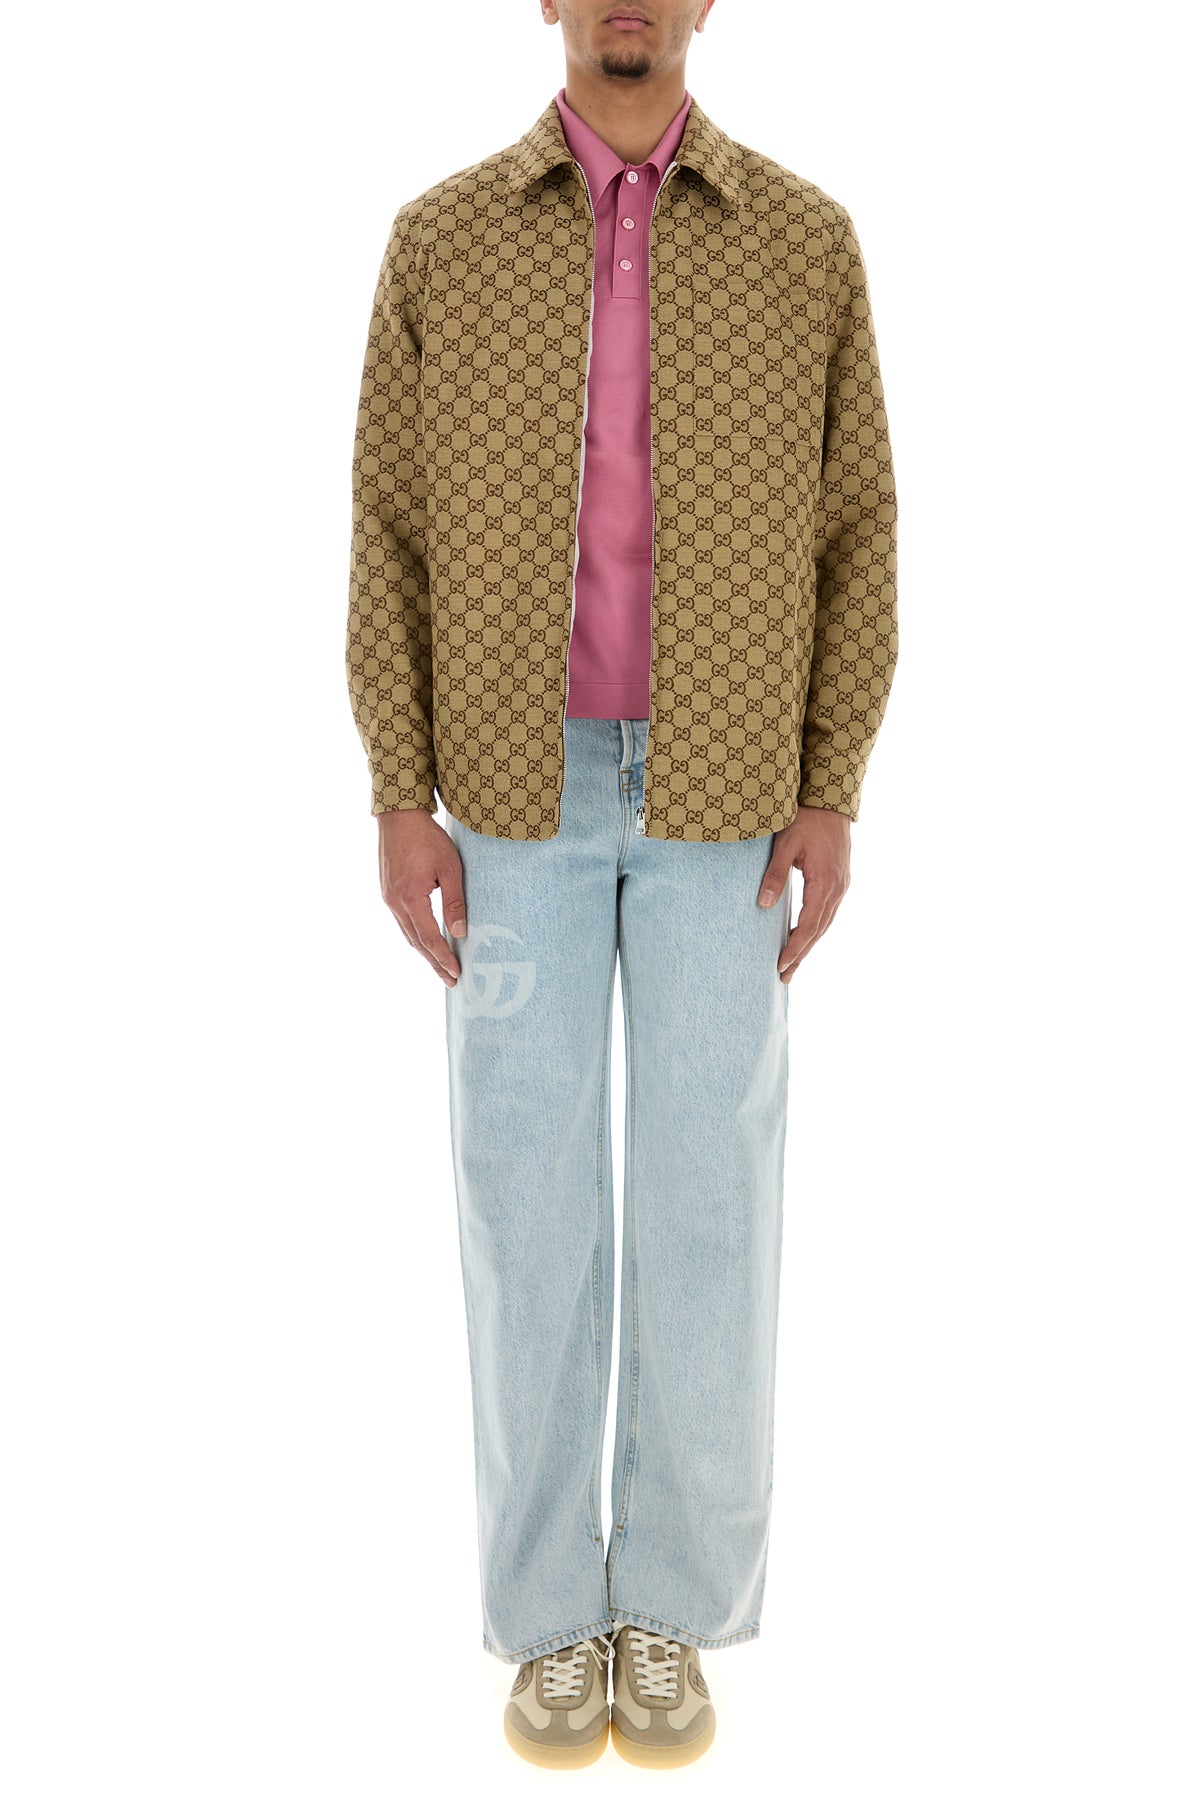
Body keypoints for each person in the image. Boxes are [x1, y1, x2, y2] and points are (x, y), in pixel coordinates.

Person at [345, 0, 897, 1769]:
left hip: (730, 796)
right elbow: (387, 527)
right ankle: (543, 1622)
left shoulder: (806, 242)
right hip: (511, 798)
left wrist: (830, 784)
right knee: (523, 1204)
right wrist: (399, 790)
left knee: (711, 1201)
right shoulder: (442, 240)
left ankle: (669, 1607)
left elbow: (858, 528)